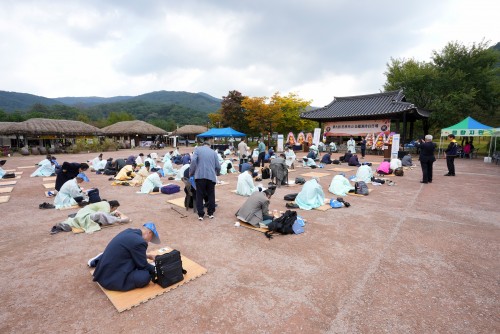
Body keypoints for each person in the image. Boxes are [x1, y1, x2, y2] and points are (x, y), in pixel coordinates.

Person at [90, 222, 160, 292]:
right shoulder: (140, 242)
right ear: (149, 232)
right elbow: (143, 266)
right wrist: (157, 269)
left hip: (104, 271)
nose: (150, 240)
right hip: (110, 279)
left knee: (136, 261)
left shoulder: (129, 231)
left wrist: (148, 256)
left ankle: (101, 256)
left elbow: (132, 250)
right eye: (151, 238)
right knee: (145, 276)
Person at [51, 200, 127, 234]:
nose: (115, 210)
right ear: (112, 206)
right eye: (115, 208)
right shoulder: (106, 206)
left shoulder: (105, 203)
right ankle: (119, 221)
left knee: (101, 215)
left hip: (84, 211)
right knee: (101, 215)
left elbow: (107, 213)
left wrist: (113, 213)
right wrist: (117, 218)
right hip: (86, 214)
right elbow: (105, 215)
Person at [189, 141, 221, 220]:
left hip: (200, 176)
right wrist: (218, 173)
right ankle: (210, 213)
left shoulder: (197, 150)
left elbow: (193, 161)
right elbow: (218, 166)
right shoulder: (213, 152)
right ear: (209, 146)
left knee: (199, 195)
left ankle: (200, 214)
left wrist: (191, 172)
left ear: (202, 145)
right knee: (211, 195)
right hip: (211, 176)